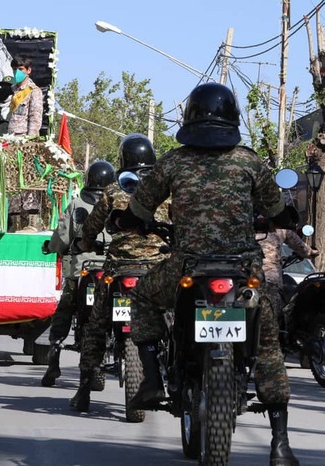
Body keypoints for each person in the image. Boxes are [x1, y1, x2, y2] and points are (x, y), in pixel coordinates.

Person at [113, 83, 300, 465]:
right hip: (243, 269)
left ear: (190, 118)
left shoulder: (173, 162)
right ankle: (280, 442)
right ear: (233, 118)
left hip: (187, 265)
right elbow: (278, 211)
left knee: (143, 297)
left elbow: (139, 209)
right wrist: (284, 217)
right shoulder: (249, 162)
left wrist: (130, 222)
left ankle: (151, 379)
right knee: (267, 344)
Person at [69, 134, 170, 412]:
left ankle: (84, 390)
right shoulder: (165, 188)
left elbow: (92, 226)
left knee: (95, 327)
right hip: (157, 267)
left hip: (118, 267)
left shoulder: (113, 190)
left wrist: (82, 245)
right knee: (174, 315)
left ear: (123, 158)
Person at [40, 159, 115, 387]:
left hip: (81, 269)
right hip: (112, 269)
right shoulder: (118, 204)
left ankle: (54, 357)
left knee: (65, 310)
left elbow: (63, 237)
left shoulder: (77, 204)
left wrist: (51, 247)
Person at [258, 225, 318, 326]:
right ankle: (276, 332)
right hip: (270, 278)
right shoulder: (281, 228)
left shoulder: (246, 225)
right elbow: (300, 246)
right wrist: (312, 252)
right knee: (273, 314)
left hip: (245, 274)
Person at [7, 55, 44, 137]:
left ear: (28, 70)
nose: (17, 72)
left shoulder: (33, 90)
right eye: (14, 69)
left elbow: (35, 117)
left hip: (22, 136)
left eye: (20, 69)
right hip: (9, 135)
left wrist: (30, 138)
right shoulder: (12, 89)